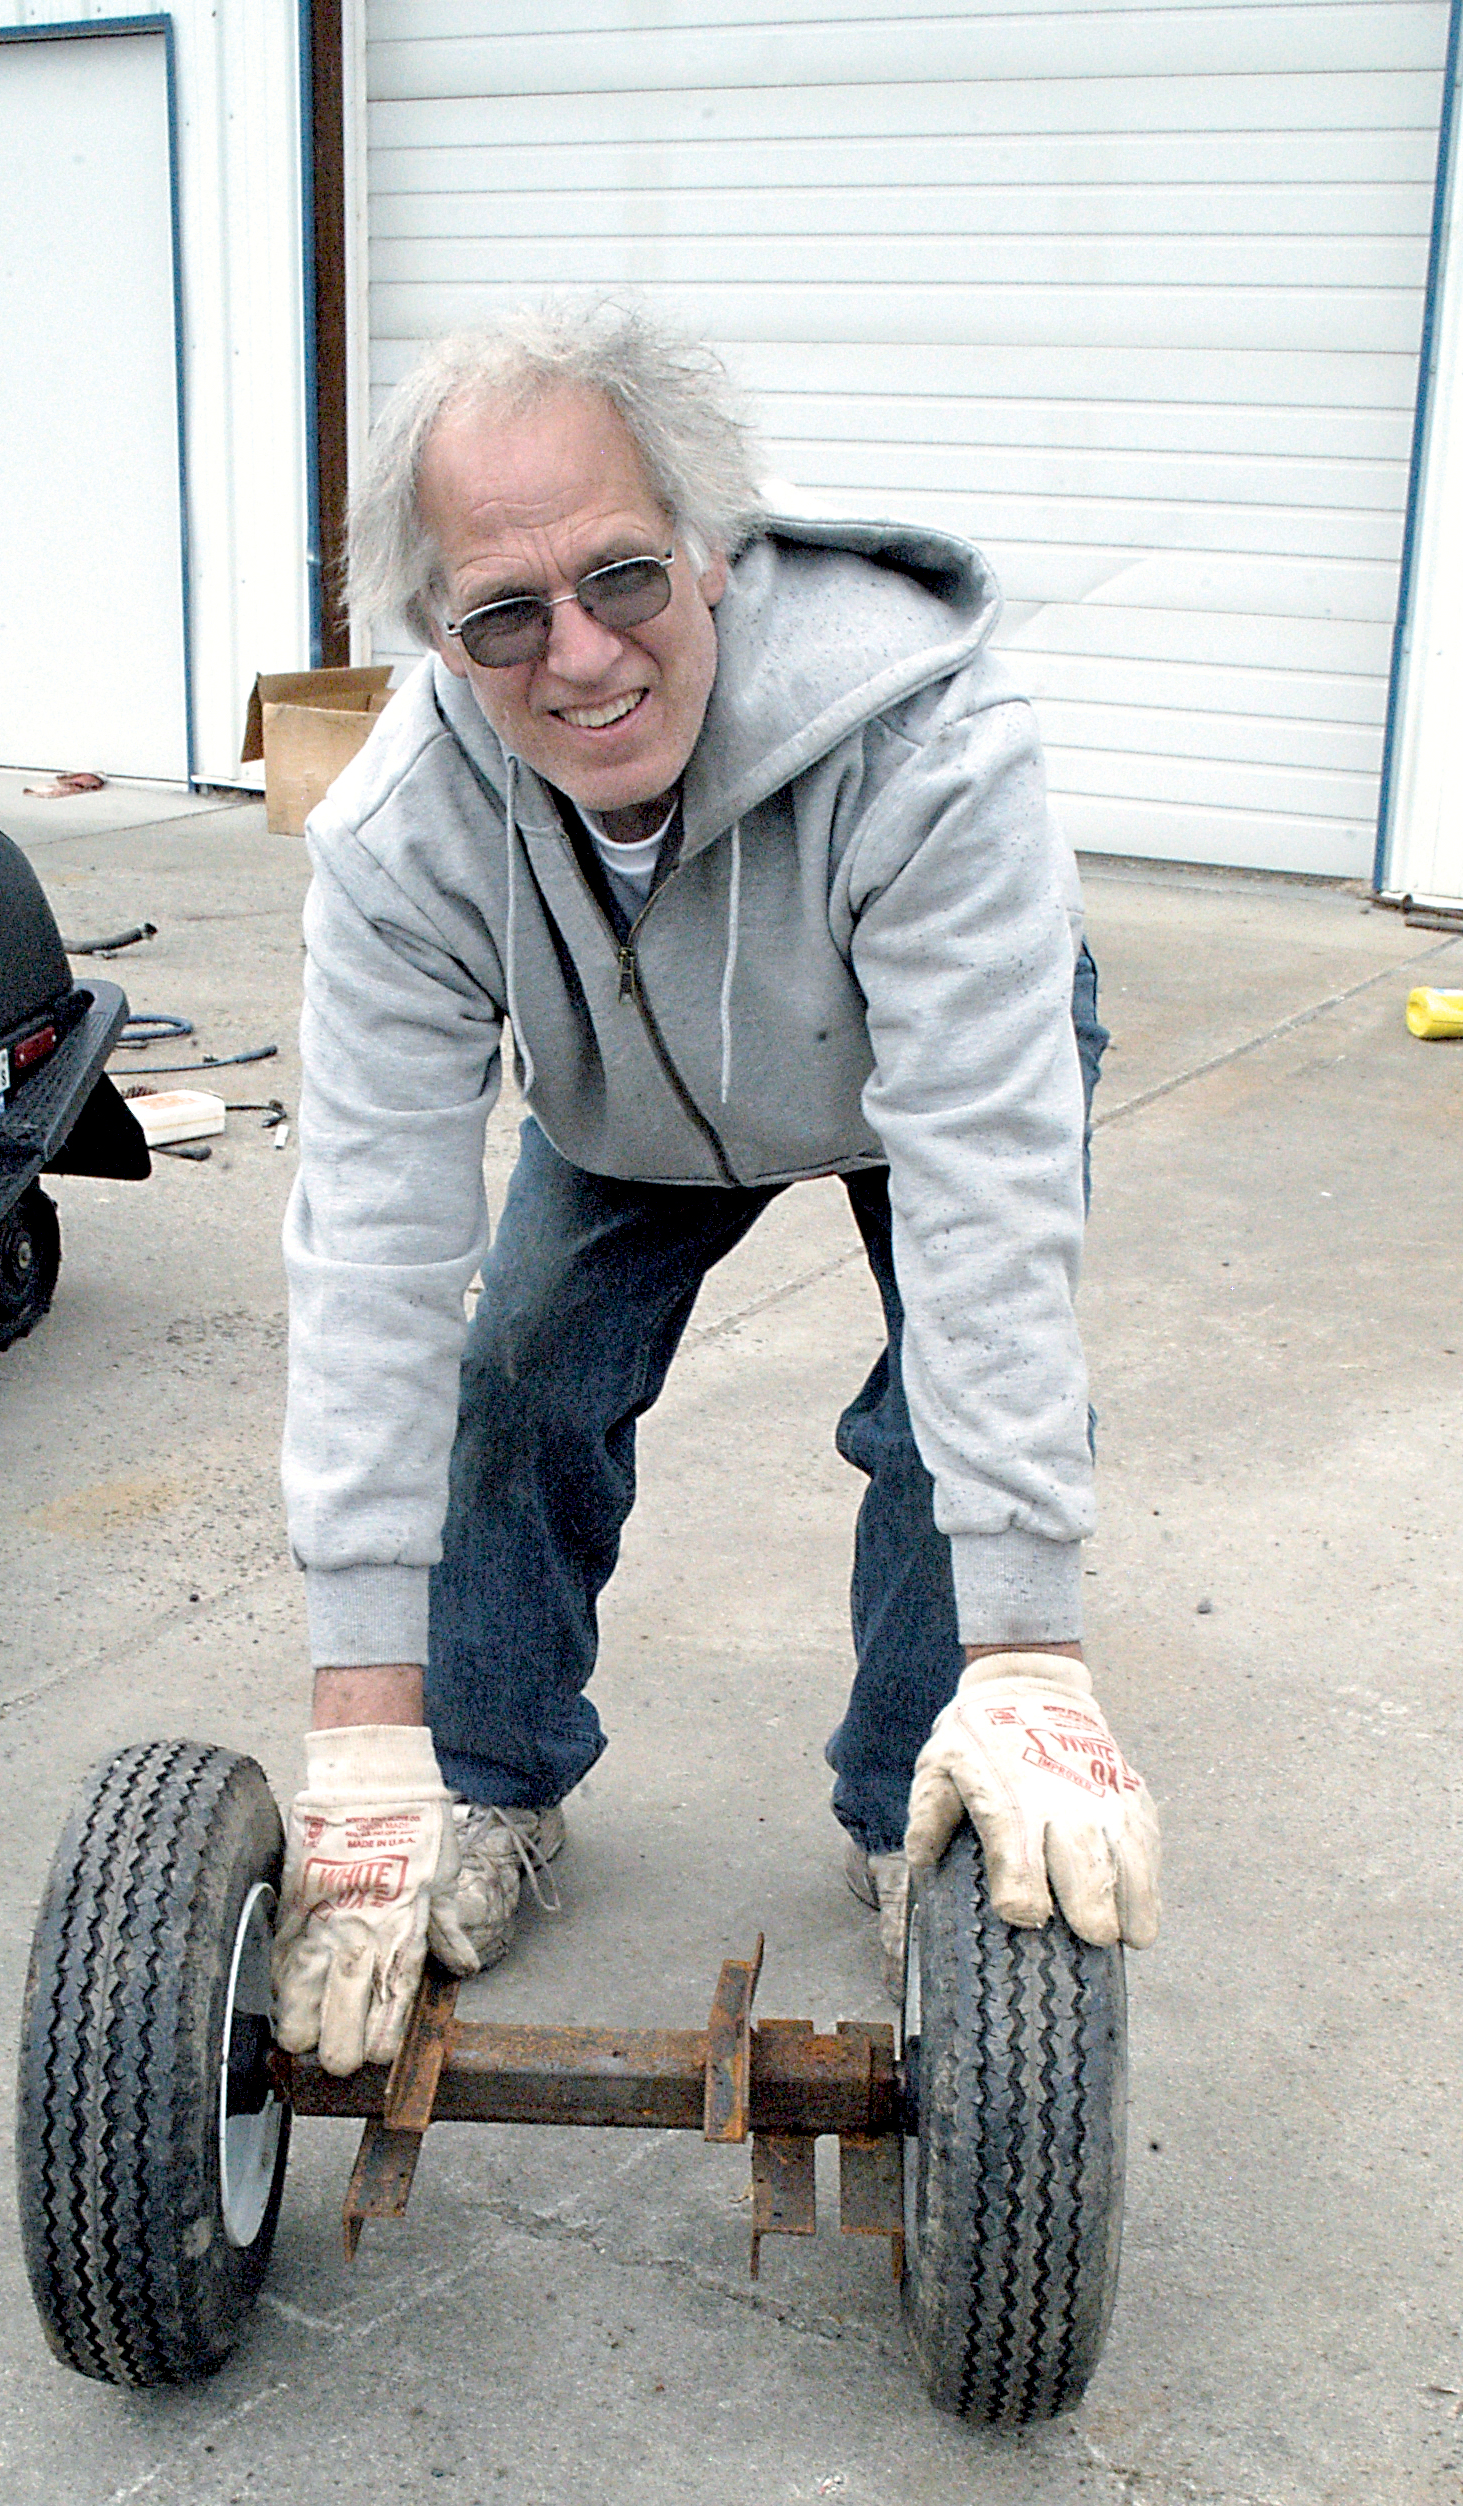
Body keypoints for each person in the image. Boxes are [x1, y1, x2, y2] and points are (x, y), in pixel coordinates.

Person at [273, 301, 1159, 2076]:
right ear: (440, 637)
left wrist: (1033, 1660)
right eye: (505, 614)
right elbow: (373, 1254)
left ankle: (915, 1797)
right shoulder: (400, 835)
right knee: (517, 1374)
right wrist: (367, 1727)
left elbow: (989, 1215)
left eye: (622, 576)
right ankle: (487, 1777)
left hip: (910, 1057)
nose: (581, 654)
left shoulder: (926, 737)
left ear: (712, 547)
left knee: (945, 1407)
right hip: (632, 1096)